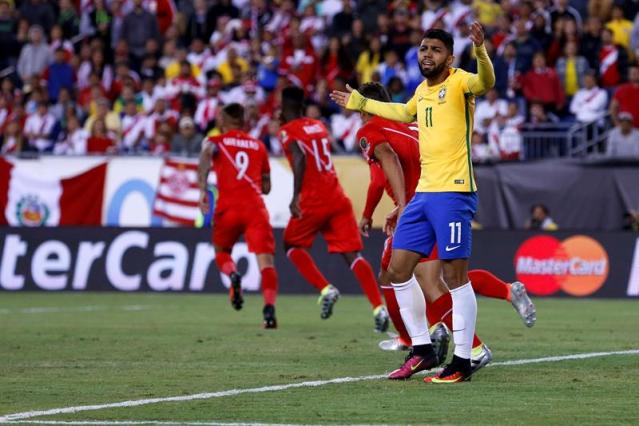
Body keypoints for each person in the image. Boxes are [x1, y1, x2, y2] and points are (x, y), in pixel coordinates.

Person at [331, 23, 495, 383]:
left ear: (449, 57)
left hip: (454, 192)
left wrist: (481, 50)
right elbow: (403, 113)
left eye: (435, 50)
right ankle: (421, 349)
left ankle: (463, 361)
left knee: (454, 277)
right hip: (423, 194)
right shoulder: (421, 91)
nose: (427, 54)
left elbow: (486, 82)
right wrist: (361, 102)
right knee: (397, 271)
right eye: (423, 49)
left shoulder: (461, 82)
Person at [355, 82, 535, 378]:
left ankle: (457, 346)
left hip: (423, 210)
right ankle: (494, 298)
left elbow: (384, 167)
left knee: (427, 279)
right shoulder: (412, 127)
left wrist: (401, 206)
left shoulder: (373, 131)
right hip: (437, 198)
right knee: (416, 274)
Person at [279, 86, 389, 332]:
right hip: (337, 197)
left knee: (291, 245)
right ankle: (378, 307)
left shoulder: (287, 131)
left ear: (284, 104)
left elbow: (299, 158)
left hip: (312, 199)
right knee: (352, 255)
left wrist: (295, 196)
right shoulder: (318, 126)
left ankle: (326, 289)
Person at [197, 103, 279, 329]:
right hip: (255, 208)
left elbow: (205, 158)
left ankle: (233, 274)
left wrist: (203, 190)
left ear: (223, 121)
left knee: (221, 251)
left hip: (228, 207)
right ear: (243, 121)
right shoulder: (258, 145)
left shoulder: (214, 142)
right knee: (266, 262)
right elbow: (267, 187)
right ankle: (269, 311)